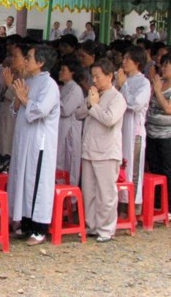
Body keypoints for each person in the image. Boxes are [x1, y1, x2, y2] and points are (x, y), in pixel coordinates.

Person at [9, 44, 60, 246]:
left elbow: (40, 110)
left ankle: (39, 228)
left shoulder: (49, 85)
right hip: (24, 140)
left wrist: (23, 98)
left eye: (29, 57)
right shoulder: (28, 81)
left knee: (37, 183)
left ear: (41, 62)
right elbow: (16, 110)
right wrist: (18, 98)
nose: (25, 60)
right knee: (22, 181)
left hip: (40, 143)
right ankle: (25, 223)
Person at [76, 58, 126, 242]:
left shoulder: (117, 98)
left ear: (109, 76)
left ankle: (106, 229)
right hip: (89, 150)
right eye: (93, 76)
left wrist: (93, 106)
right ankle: (91, 226)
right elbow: (78, 113)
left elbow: (109, 119)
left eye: (97, 76)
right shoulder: (93, 94)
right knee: (89, 192)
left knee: (106, 193)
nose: (94, 80)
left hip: (106, 152)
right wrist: (90, 103)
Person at [117, 45, 151, 214]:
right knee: (120, 168)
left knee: (132, 169)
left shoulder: (144, 83)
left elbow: (134, 104)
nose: (123, 62)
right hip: (119, 131)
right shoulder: (122, 79)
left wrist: (124, 85)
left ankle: (132, 207)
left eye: (127, 59)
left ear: (137, 62)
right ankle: (119, 204)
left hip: (134, 133)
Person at [146, 53, 171, 214]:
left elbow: (168, 108)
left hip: (167, 136)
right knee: (154, 168)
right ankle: (157, 203)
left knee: (167, 170)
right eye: (162, 65)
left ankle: (168, 205)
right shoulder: (158, 82)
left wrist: (158, 91)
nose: (162, 68)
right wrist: (152, 86)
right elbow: (147, 102)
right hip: (151, 133)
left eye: (166, 66)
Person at [57, 57, 84, 187]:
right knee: (60, 163)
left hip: (70, 133)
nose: (60, 72)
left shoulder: (75, 89)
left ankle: (70, 195)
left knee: (69, 164)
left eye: (64, 70)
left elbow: (66, 110)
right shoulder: (63, 88)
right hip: (61, 131)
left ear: (72, 72)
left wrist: (54, 100)